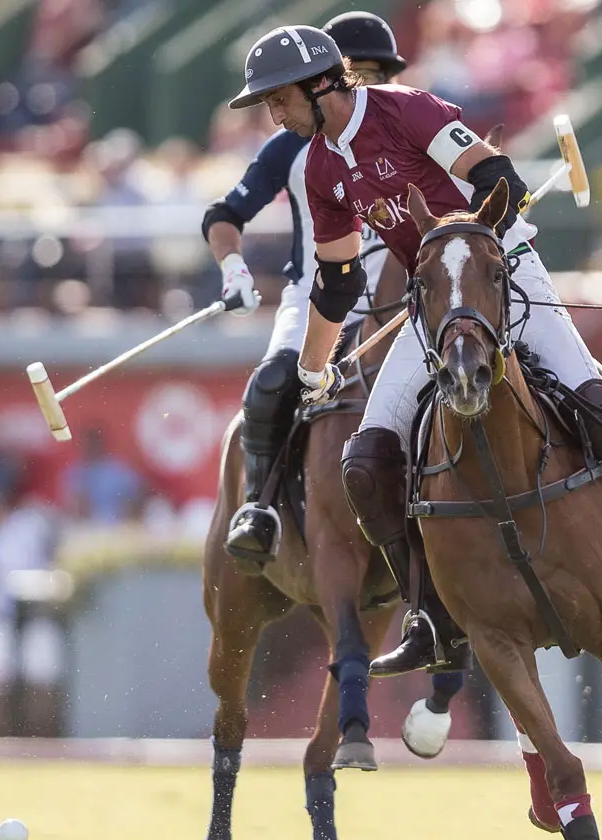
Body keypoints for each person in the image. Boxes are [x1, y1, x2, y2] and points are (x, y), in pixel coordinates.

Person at [224, 25, 602, 676]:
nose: (273, 113)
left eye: (278, 98)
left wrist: (457, 242)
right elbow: (340, 279)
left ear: (322, 85)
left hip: (503, 272)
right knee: (366, 460)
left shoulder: (408, 109)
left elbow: (494, 175)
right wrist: (314, 367)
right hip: (432, 306)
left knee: (594, 399)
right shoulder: (320, 168)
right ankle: (429, 614)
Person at [207, 12, 410, 571]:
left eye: (377, 74)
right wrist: (234, 269)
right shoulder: (291, 148)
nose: (365, 85)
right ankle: (259, 507)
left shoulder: (410, 125)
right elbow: (225, 214)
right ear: (323, 77)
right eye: (356, 72)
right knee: (273, 381)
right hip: (315, 296)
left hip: (405, 296)